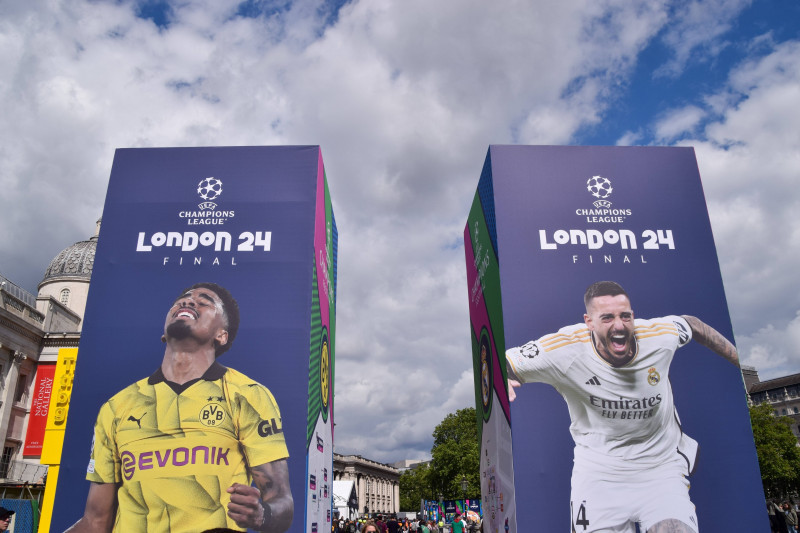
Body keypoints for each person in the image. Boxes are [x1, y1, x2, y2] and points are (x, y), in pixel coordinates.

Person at [506, 281, 739, 533]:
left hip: (660, 467)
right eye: (607, 317)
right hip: (599, 475)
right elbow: (503, 360)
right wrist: (500, 376)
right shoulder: (565, 348)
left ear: (633, 316)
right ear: (589, 322)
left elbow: (692, 324)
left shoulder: (658, 336)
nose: (619, 325)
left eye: (625, 316)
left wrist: (739, 360)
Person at [67, 282, 293, 532]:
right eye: (182, 299)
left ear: (222, 335)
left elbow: (282, 500)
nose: (187, 301)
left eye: (204, 301)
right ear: (164, 332)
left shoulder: (248, 395)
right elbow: (95, 520)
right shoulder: (116, 407)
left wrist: (261, 516)